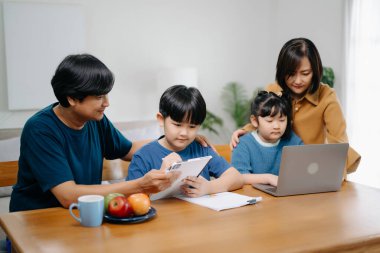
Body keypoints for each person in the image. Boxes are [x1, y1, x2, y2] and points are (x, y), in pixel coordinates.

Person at [9, 54, 209, 212]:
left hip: (85, 213)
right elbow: (67, 195)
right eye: (99, 96)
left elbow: (130, 149)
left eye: (106, 94)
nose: (107, 103)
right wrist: (139, 185)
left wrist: (177, 140)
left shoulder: (96, 120)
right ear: (71, 98)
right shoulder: (40, 130)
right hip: (38, 219)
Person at [230, 38, 361, 175]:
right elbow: (263, 119)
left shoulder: (327, 97)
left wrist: (331, 176)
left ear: (315, 72)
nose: (298, 81)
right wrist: (242, 132)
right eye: (291, 74)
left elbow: (338, 146)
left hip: (310, 170)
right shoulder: (274, 89)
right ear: (282, 71)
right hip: (278, 172)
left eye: (305, 74)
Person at [127, 85, 243, 197]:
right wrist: (161, 176)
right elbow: (131, 197)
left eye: (192, 127)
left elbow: (236, 178)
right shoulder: (143, 157)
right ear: (161, 120)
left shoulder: (202, 149)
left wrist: (209, 187)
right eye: (177, 125)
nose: (184, 133)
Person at [231, 91, 303, 186]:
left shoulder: (293, 140)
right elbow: (239, 176)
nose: (277, 126)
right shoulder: (244, 143)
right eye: (269, 121)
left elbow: (304, 169)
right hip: (254, 196)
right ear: (254, 121)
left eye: (282, 120)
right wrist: (268, 178)